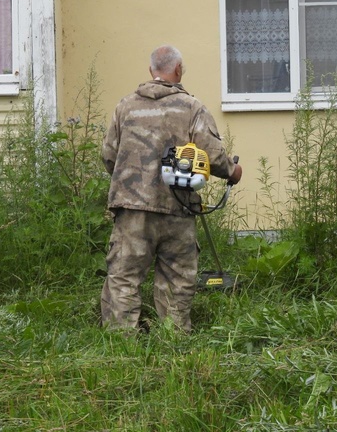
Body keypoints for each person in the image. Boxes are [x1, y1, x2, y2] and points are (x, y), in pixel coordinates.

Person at [100, 44, 242, 333]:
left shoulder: (124, 106)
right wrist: (233, 171)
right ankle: (174, 338)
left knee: (124, 276)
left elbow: (109, 156)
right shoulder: (192, 108)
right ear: (178, 70)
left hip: (131, 210)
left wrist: (131, 185)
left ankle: (119, 340)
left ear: (151, 71)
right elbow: (213, 156)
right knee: (177, 276)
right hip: (177, 206)